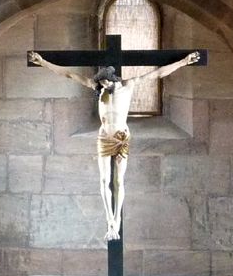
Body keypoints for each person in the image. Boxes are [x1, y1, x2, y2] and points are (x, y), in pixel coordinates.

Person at [28, 47, 204, 239]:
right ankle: (110, 221)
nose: (101, 86)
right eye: (99, 83)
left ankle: (117, 221)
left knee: (119, 181)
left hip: (121, 136)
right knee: (104, 180)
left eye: (104, 82)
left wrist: (184, 62)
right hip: (104, 137)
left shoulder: (128, 85)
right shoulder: (98, 87)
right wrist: (43, 62)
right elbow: (69, 74)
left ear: (112, 79)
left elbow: (158, 73)